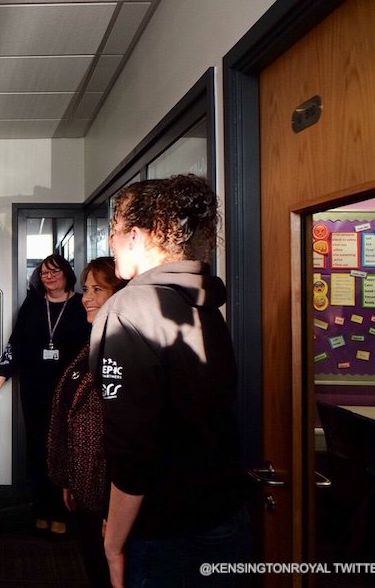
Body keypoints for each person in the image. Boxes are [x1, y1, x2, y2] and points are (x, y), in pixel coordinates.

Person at [91, 174, 249, 587]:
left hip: (166, 528)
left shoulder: (128, 308)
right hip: (225, 514)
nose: (109, 243)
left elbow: (132, 448)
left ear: (138, 236)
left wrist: (114, 543)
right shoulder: (203, 303)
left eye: (114, 231)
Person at [0, 254, 91, 536]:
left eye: (55, 272)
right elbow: (15, 344)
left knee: (65, 449)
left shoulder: (81, 305)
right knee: (38, 448)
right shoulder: (33, 304)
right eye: (44, 273)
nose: (49, 277)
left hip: (71, 390)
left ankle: (63, 513)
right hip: (35, 389)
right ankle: (41, 508)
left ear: (67, 274)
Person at [46, 257, 126, 587]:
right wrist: (69, 477)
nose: (86, 298)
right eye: (86, 289)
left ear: (120, 295)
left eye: (97, 290)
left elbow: (126, 437)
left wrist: (113, 508)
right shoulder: (94, 343)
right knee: (92, 564)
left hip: (109, 493)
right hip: (84, 484)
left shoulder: (123, 349)